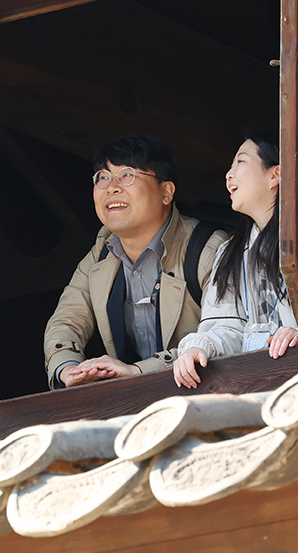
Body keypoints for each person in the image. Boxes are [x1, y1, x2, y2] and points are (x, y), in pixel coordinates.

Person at [44, 135, 228, 389]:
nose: (112, 187)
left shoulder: (208, 250)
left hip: (206, 396)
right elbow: (66, 321)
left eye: (127, 175)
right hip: (134, 406)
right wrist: (67, 369)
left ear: (166, 192)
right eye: (103, 177)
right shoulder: (101, 255)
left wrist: (138, 371)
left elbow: (223, 338)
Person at [172, 134, 298, 388]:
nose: (229, 174)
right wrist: (199, 346)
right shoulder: (231, 249)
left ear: (275, 175)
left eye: (240, 161)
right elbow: (227, 328)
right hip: (255, 384)